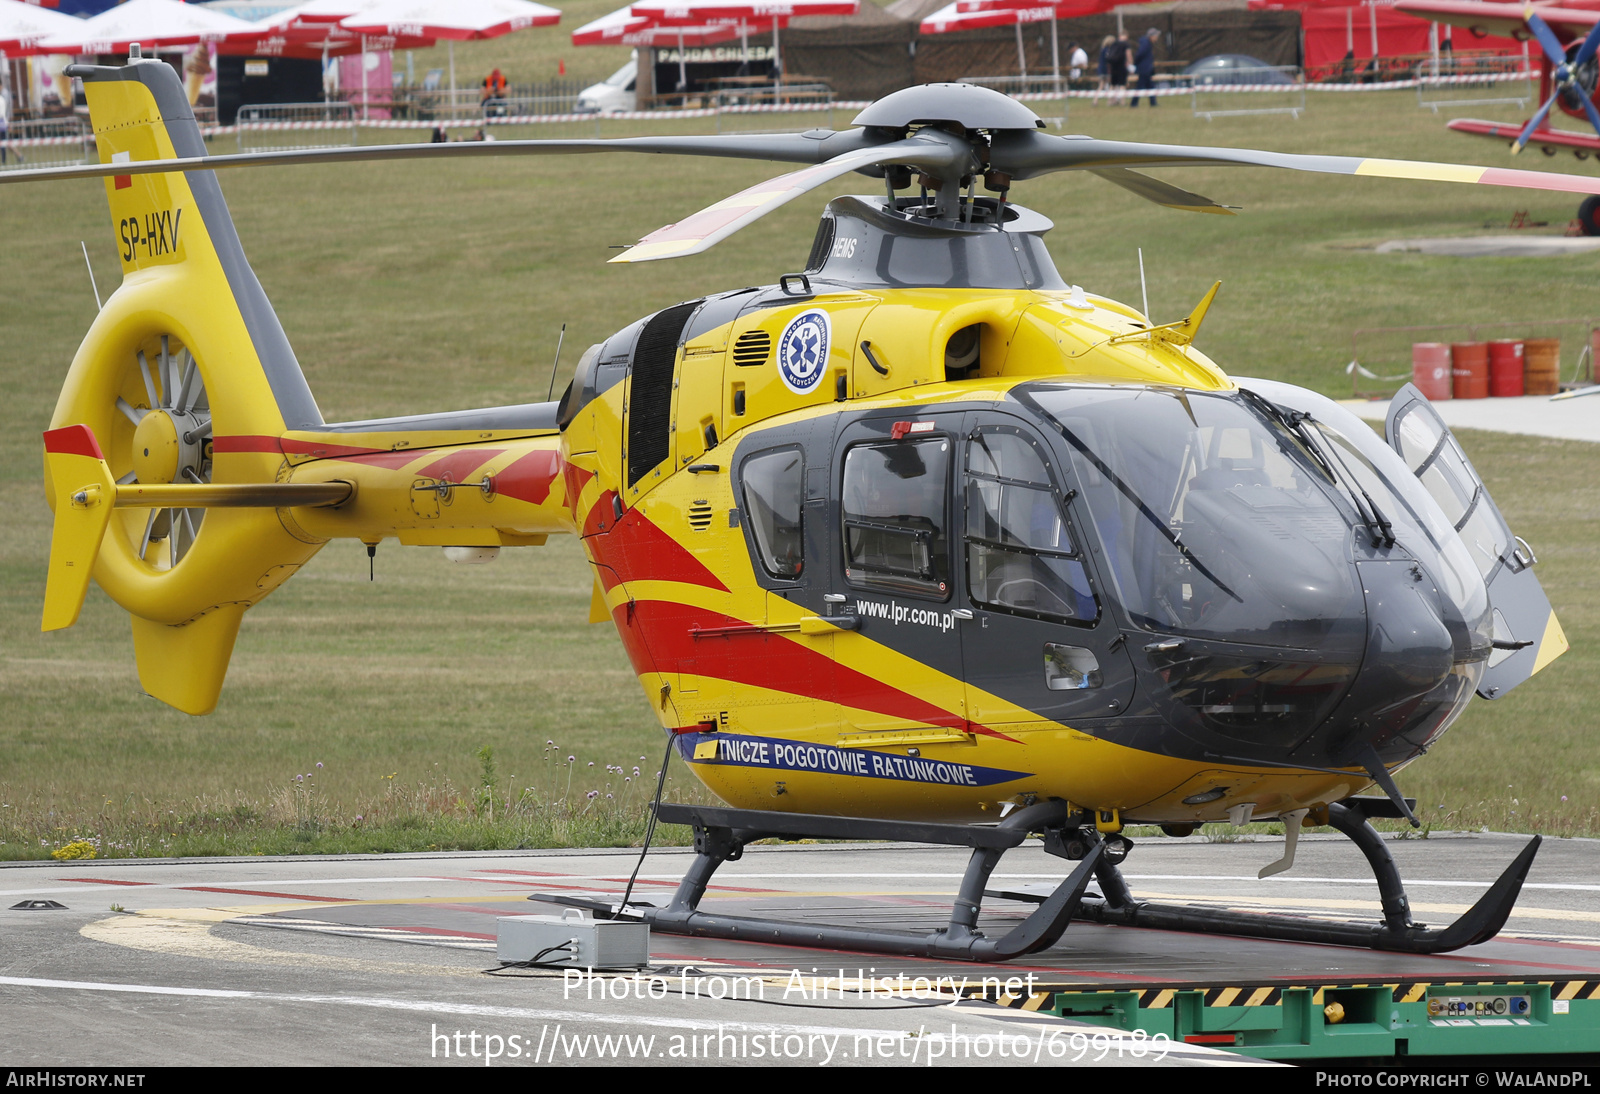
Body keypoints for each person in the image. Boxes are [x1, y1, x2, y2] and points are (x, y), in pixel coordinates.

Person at [1131, 27, 1160, 107]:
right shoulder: (1146, 43)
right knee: (1140, 86)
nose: (1157, 38)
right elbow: (1139, 54)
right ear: (1151, 36)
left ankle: (1152, 102)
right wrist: (1136, 64)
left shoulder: (1147, 43)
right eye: (1156, 36)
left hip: (1146, 69)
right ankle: (1134, 103)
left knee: (1150, 86)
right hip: (1144, 69)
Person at [1107, 31, 1131, 102]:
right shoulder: (1125, 44)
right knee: (1122, 84)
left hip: (1113, 67)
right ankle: (1122, 101)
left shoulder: (1114, 43)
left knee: (1113, 85)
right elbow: (1128, 54)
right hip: (1121, 67)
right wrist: (1131, 63)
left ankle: (1110, 101)